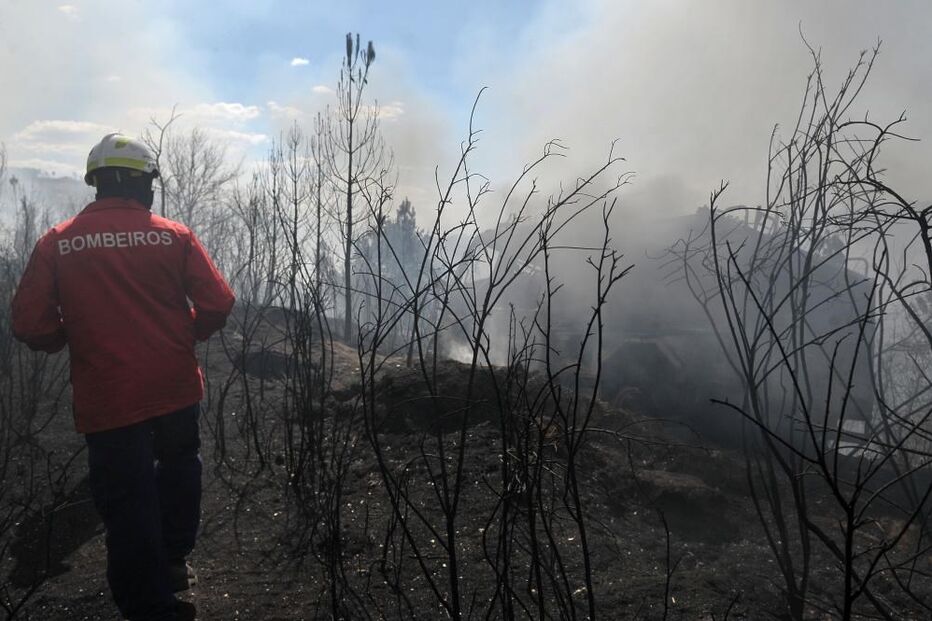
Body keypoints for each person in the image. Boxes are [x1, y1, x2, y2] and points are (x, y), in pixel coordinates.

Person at [11, 133, 235, 621]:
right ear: (142, 183)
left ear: (98, 183)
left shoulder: (58, 241)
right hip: (174, 386)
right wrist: (190, 334)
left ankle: (150, 606)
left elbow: (28, 322)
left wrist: (62, 337)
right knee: (180, 469)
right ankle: (174, 558)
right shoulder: (174, 236)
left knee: (127, 496)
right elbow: (219, 301)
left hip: (108, 396)